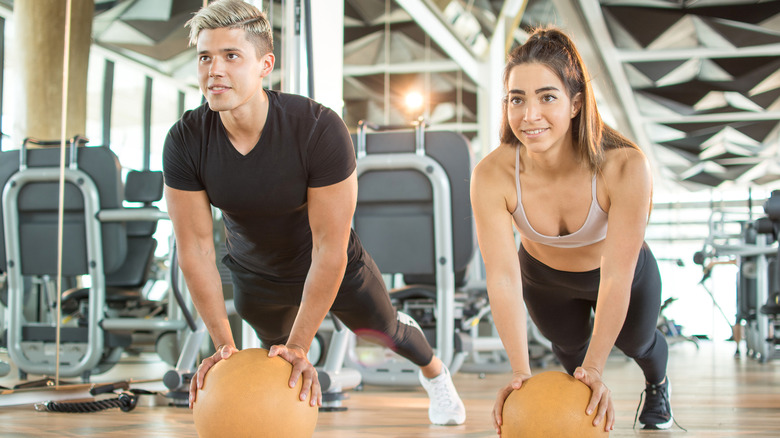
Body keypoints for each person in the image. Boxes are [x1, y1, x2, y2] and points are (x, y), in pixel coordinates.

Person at [162, 0, 466, 426]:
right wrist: (222, 348)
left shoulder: (318, 128)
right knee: (277, 364)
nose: (215, 70)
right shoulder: (185, 139)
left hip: (332, 265)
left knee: (385, 331)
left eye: (231, 56)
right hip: (256, 273)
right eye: (205, 57)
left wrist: (303, 345)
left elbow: (329, 248)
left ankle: (436, 374)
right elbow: (194, 250)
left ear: (265, 64)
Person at [470, 26, 674, 434]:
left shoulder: (625, 166)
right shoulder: (492, 174)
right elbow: (504, 276)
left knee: (637, 344)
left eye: (547, 97)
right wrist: (518, 372)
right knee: (569, 355)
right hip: (545, 280)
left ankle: (658, 385)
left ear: (576, 103)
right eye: (516, 99)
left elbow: (616, 275)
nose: (529, 115)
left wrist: (598, 366)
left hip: (621, 274)